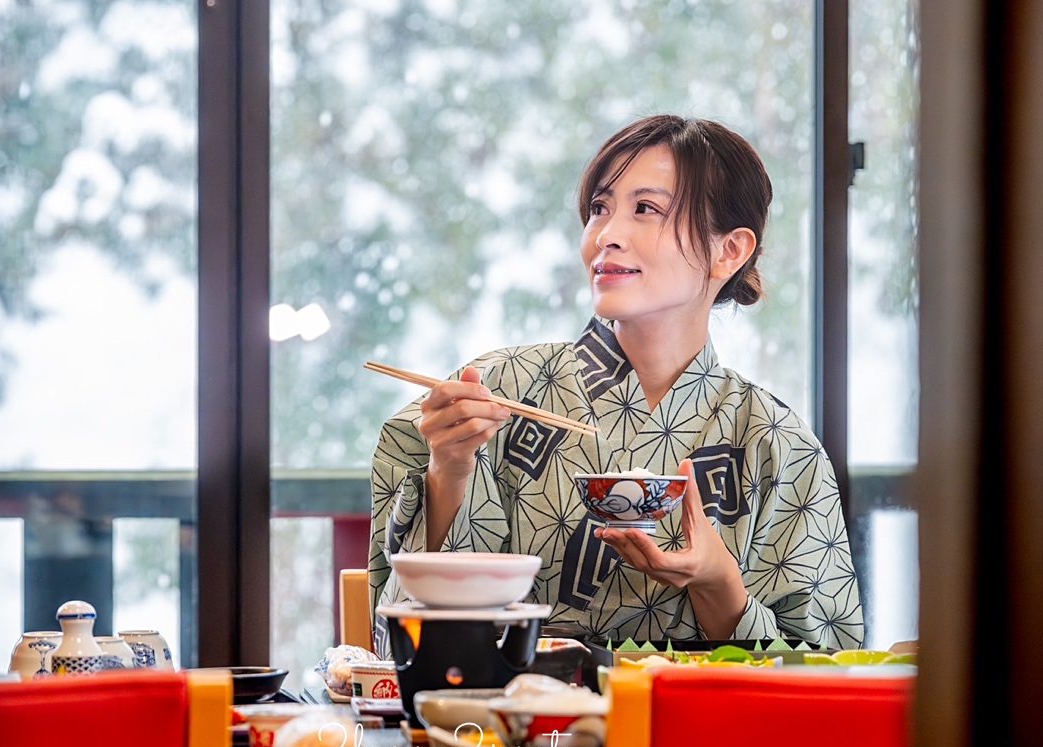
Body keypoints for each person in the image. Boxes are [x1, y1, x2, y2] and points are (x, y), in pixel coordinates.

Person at [367, 114, 864, 656]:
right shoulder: (492, 393)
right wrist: (450, 471)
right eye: (599, 209)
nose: (606, 235)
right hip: (517, 736)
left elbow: (828, 674)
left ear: (730, 250)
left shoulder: (777, 442)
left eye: (645, 209)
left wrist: (719, 583)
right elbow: (402, 655)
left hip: (699, 738)